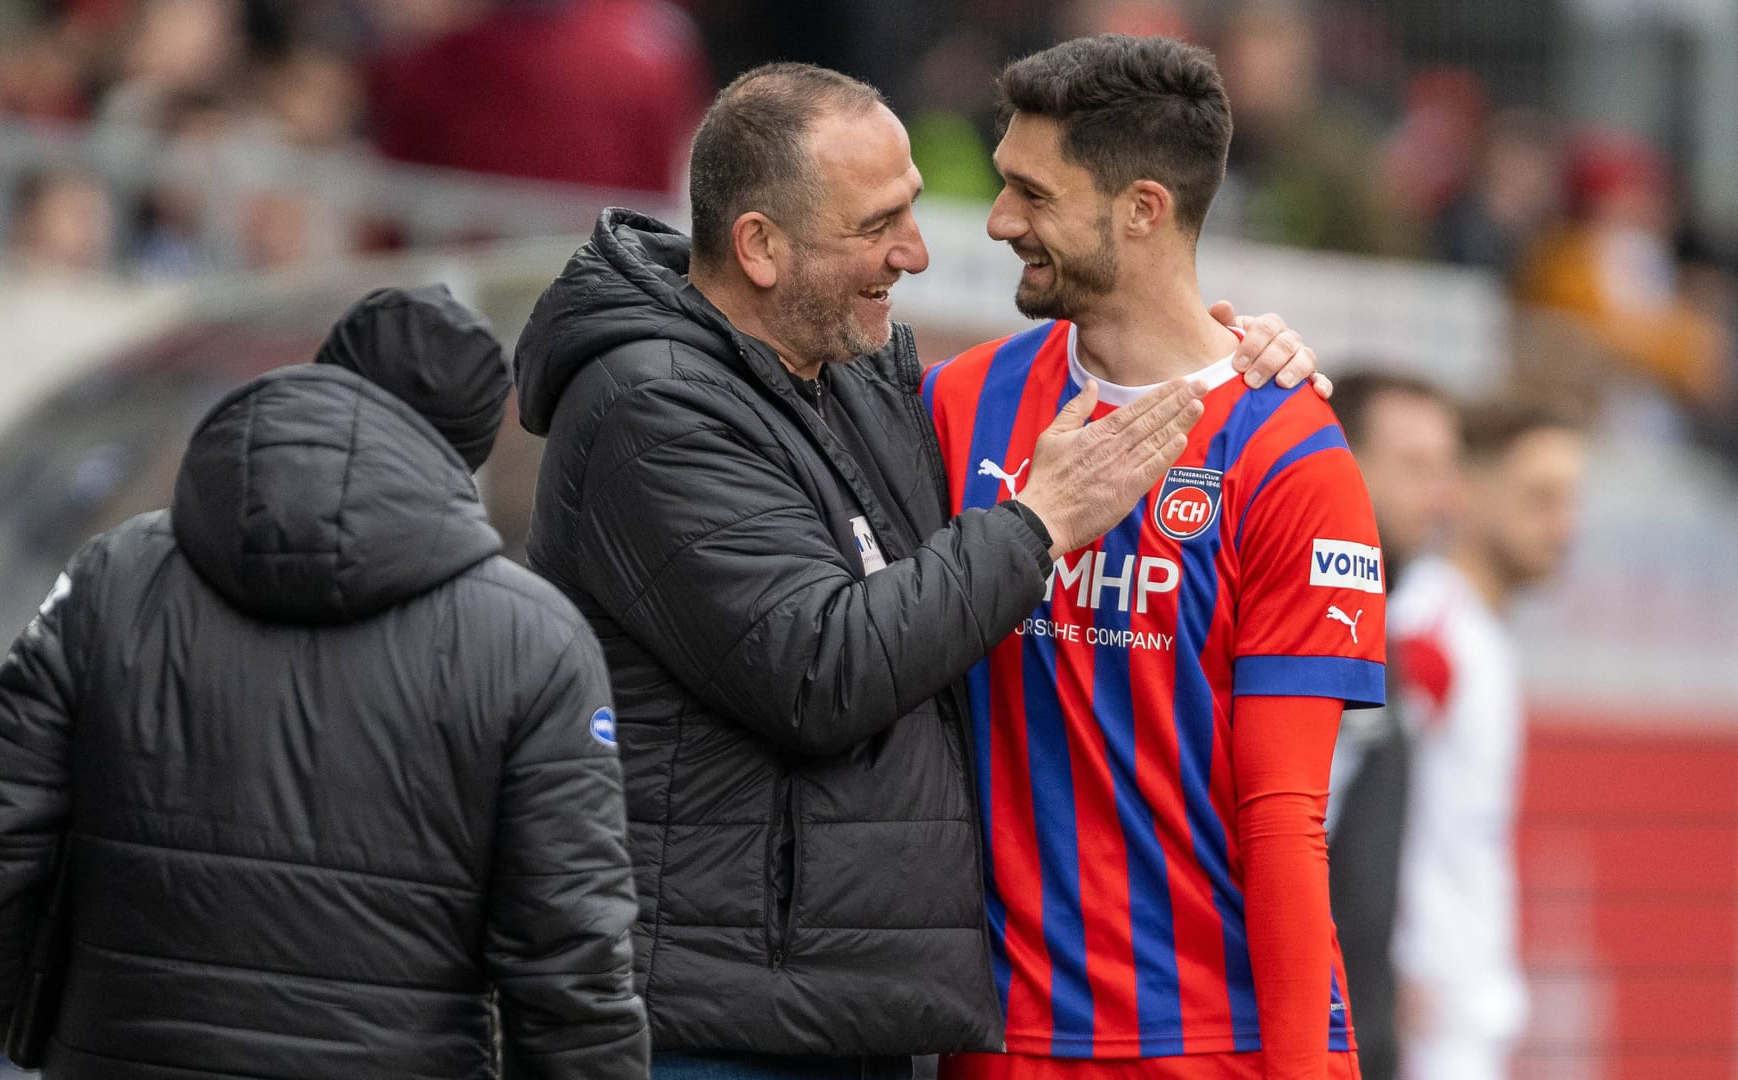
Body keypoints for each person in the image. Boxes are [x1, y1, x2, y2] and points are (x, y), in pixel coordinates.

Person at [514, 61, 1323, 1078]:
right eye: (878, 224)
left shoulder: (844, 370)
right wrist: (1040, 523)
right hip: (709, 1023)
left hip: (834, 1007)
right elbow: (818, 671)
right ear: (760, 247)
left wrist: (1231, 353)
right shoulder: (650, 409)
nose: (922, 249)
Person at [0, 285, 648, 1079]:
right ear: (469, 448)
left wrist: (27, 1021)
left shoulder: (112, 577)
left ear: (325, 379)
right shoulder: (535, 641)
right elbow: (572, 959)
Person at [923, 36, 1384, 1079]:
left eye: (1031, 195)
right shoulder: (959, 404)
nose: (999, 223)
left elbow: (1285, 817)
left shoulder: (1288, 451)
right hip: (999, 1042)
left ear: (1141, 209)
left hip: (1212, 1044)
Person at [1392, 404, 1586, 1080]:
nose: (1565, 527)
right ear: (1468, 494)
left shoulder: (1480, 632)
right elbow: (1336, 798)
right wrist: (1383, 961)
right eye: (1540, 499)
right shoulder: (1428, 632)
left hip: (1463, 1011)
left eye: (1571, 502)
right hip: (1420, 1015)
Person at [1325, 372, 1464, 1080]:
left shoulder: (1382, 633)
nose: (1443, 499)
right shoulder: (1311, 637)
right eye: (1415, 468)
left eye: (1446, 470)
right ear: (1341, 466)